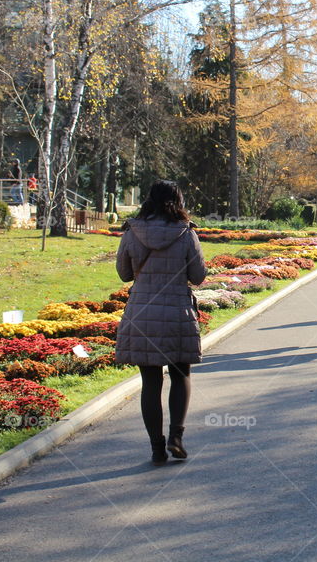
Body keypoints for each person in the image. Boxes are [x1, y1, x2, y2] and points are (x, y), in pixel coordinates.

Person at [115, 180, 207, 465]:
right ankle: (176, 437)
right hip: (177, 312)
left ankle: (156, 447)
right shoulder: (186, 233)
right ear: (177, 201)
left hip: (142, 313)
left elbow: (124, 274)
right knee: (181, 375)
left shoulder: (132, 232)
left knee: (150, 382)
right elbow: (199, 276)